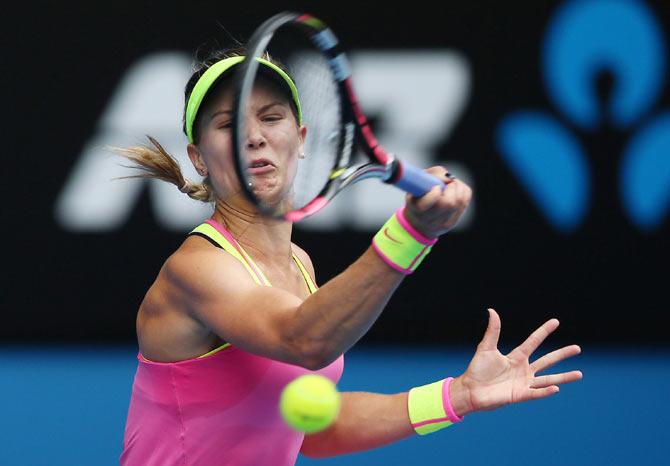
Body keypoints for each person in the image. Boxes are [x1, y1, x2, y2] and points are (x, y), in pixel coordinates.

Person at [118, 47, 582, 465]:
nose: (254, 137)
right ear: (198, 157)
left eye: (271, 117)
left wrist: (458, 395)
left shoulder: (299, 268)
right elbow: (306, 341)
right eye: (228, 124)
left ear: (300, 138)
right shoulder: (197, 267)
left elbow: (314, 430)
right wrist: (411, 234)